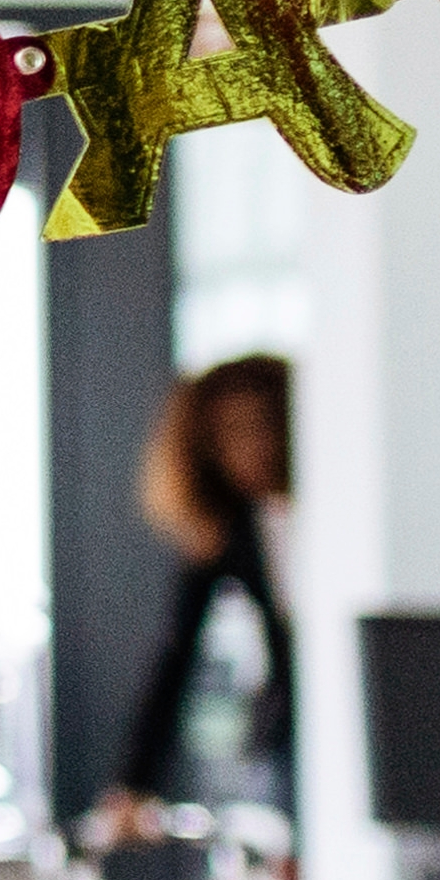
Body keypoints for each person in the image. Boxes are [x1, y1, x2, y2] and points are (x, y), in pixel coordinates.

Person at [104, 352, 293, 832]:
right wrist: (134, 785)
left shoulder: (346, 510)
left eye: (263, 425)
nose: (254, 447)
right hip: (288, 738)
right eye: (231, 433)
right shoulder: (233, 532)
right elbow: (175, 655)